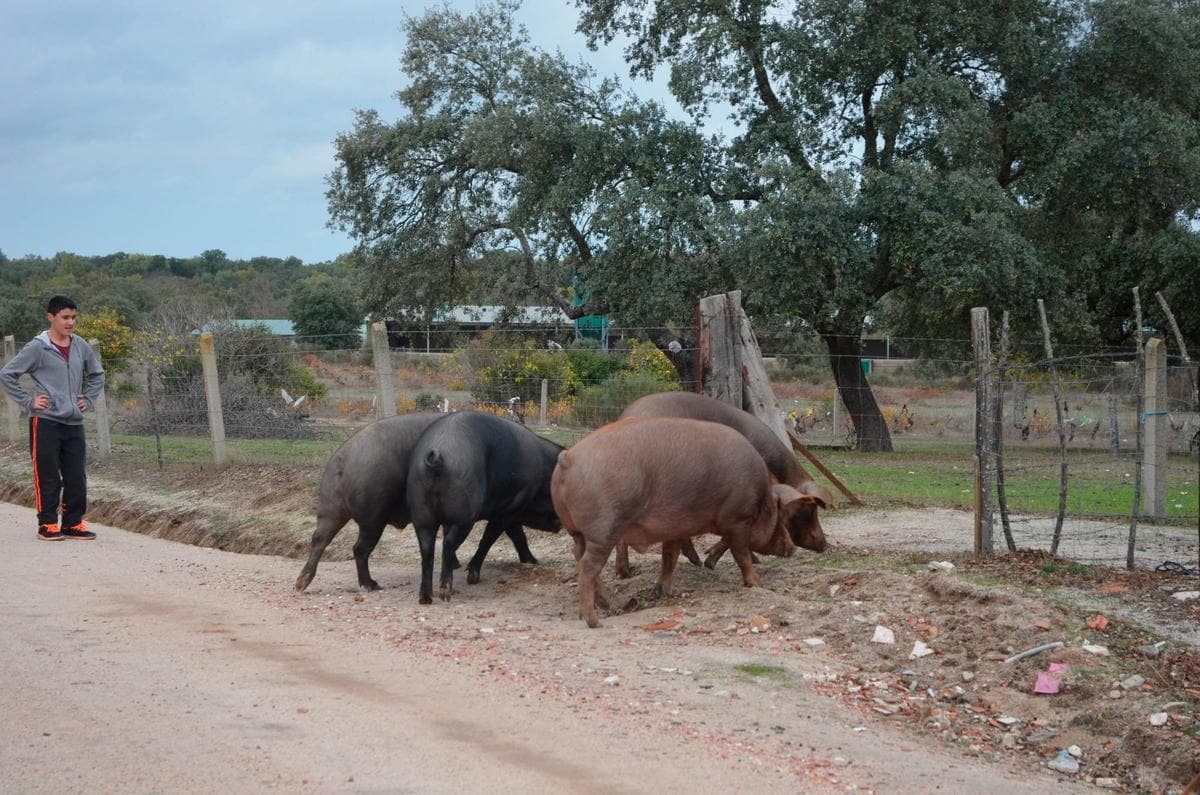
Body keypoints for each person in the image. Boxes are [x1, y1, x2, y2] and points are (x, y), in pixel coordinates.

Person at [0, 295, 105, 540]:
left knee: (76, 476)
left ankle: (73, 523)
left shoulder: (79, 345)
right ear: (51, 317)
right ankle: (47, 524)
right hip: (45, 421)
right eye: (65, 317)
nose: (70, 323)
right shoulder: (38, 347)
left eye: (73, 318)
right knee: (47, 474)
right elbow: (7, 374)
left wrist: (87, 400)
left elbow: (98, 375)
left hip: (74, 421)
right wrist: (28, 401)